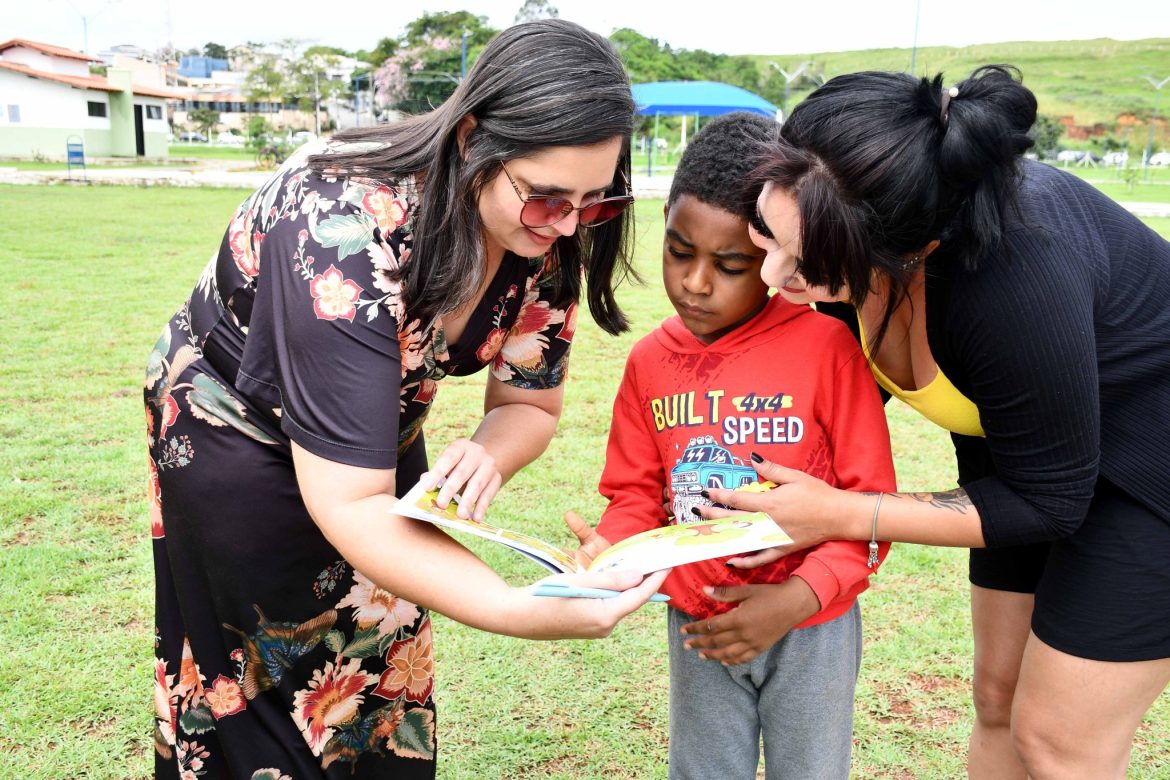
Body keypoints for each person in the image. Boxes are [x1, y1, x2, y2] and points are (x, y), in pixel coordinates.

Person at [144, 20, 668, 779]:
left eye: (594, 202)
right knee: (260, 683)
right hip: (234, 427)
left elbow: (532, 404)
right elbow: (352, 505)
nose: (566, 225)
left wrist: (487, 452)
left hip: (373, 434)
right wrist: (517, 608)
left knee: (381, 676)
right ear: (471, 139)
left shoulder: (547, 235)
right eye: (547, 197)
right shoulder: (344, 229)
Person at [703, 66, 1170, 780]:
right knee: (997, 696)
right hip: (1022, 459)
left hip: (1148, 470)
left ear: (909, 251)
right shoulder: (849, 236)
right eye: (767, 233)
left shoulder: (1013, 280)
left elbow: (1050, 500)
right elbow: (817, 419)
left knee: (1057, 740)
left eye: (811, 263)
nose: (774, 278)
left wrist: (838, 514)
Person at [568, 112, 896, 779]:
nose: (695, 282)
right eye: (679, 251)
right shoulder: (649, 363)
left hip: (811, 622)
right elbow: (635, 496)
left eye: (731, 265)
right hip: (701, 623)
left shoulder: (828, 348)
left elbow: (871, 508)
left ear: (775, 252)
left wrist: (799, 597)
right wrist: (614, 549)